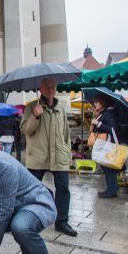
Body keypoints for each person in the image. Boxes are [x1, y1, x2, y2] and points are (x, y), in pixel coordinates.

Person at [21, 78, 77, 237]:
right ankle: (27, 218)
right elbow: (25, 130)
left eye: (53, 86)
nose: (51, 89)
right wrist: (35, 116)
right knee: (30, 189)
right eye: (47, 87)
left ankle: (62, 222)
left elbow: (66, 133)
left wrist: (67, 152)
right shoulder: (31, 106)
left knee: (63, 188)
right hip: (38, 156)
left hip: (59, 155)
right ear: (41, 89)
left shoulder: (61, 107)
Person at [90, 94, 120, 198]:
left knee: (108, 167)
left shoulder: (109, 113)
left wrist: (98, 123)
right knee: (107, 167)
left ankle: (111, 190)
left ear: (103, 102)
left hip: (108, 144)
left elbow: (112, 129)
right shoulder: (104, 113)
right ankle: (112, 188)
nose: (94, 104)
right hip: (104, 143)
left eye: (96, 102)